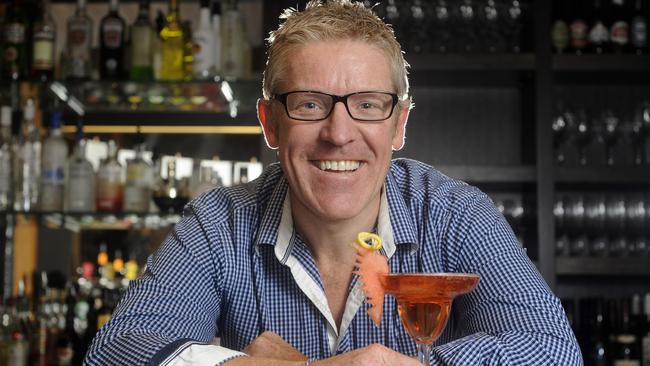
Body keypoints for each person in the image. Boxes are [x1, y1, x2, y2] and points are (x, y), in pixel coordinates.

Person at [85, 1, 582, 365]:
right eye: (309, 104)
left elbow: (553, 351)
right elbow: (116, 351)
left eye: (367, 105)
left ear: (399, 125)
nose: (339, 134)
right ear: (270, 123)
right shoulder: (221, 220)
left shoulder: (456, 214)